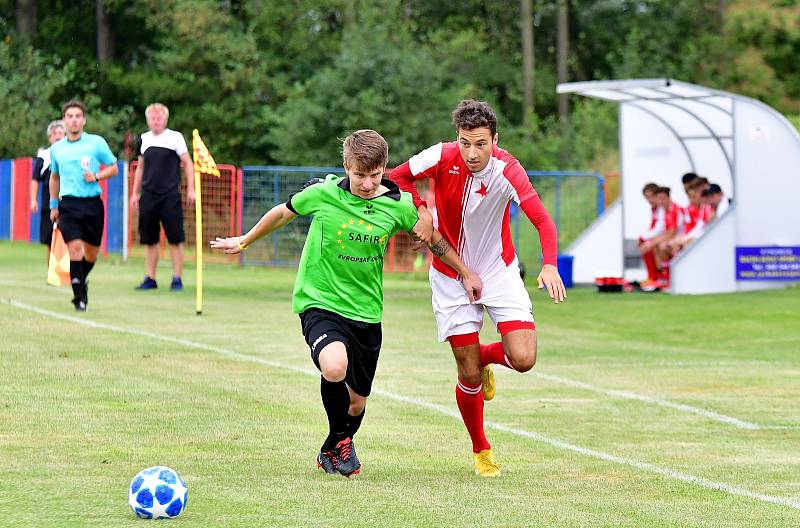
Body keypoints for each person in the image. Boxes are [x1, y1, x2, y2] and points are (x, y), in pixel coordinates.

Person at [210, 130, 482, 477]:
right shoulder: (323, 193)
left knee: (357, 403)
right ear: (346, 167)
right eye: (359, 175)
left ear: (384, 168)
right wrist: (245, 241)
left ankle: (332, 447)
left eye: (374, 175)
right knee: (334, 366)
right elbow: (282, 213)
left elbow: (433, 240)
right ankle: (341, 442)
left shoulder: (397, 205)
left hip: (366, 312)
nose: (367, 184)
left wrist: (465, 271)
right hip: (319, 300)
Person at [391, 100, 566, 477]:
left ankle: (485, 356)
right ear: (458, 138)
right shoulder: (440, 155)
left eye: (481, 144)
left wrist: (549, 263)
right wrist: (421, 208)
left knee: (524, 359)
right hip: (449, 274)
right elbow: (395, 177)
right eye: (465, 143)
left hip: (499, 271)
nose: (472, 153)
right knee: (468, 373)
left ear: (495, 140)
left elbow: (542, 220)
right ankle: (481, 449)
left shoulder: (509, 169)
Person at [49, 100, 118, 311]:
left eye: (78, 116)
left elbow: (114, 168)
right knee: (75, 249)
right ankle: (79, 298)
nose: (74, 120)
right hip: (68, 204)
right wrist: (53, 205)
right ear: (64, 120)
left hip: (92, 205)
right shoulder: (57, 149)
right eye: (69, 116)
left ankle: (80, 282)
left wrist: (97, 175)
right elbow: (54, 177)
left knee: (91, 253)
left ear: (84, 120)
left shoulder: (96, 143)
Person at [129, 103, 195, 291]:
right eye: (152, 118)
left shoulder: (175, 138)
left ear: (165, 119)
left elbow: (188, 164)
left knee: (175, 237)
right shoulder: (144, 139)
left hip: (170, 195)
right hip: (148, 196)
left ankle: (177, 278)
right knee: (149, 238)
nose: (156, 121)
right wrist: (135, 193)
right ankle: (150, 278)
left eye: (159, 118)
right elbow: (140, 168)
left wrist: (191, 189)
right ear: (148, 120)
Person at [29, 120, 66, 264]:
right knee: (50, 239)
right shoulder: (44, 156)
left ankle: (70, 273)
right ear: (50, 137)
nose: (57, 136)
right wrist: (33, 200)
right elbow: (35, 179)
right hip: (49, 204)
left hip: (68, 202)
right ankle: (52, 272)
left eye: (60, 133)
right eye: (54, 134)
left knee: (69, 237)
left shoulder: (71, 153)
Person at [638, 182, 664, 288]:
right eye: (646, 197)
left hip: (665, 236)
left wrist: (644, 237)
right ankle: (652, 277)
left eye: (651, 196)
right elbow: (653, 227)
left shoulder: (663, 208)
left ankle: (657, 277)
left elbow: (661, 227)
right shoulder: (654, 209)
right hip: (661, 235)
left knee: (649, 245)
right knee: (645, 243)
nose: (649, 200)